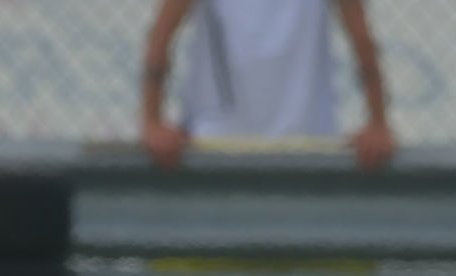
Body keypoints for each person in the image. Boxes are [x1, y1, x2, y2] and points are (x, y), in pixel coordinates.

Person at [141, 0, 395, 171]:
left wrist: (378, 124)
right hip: (290, 148)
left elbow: (160, 38)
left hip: (237, 148)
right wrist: (378, 122)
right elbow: (363, 43)